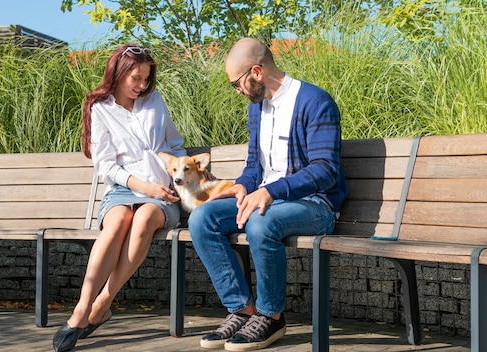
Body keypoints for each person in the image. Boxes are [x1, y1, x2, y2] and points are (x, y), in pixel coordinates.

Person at [188, 37, 348, 351]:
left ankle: (271, 316)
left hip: (316, 203)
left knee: (262, 223)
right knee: (202, 218)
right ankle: (242, 309)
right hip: (270, 199)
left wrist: (270, 193)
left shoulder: (315, 101)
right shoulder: (257, 108)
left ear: (257, 72)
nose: (237, 91)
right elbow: (254, 165)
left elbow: (325, 170)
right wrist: (244, 185)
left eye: (236, 83)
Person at [52, 44, 186, 352]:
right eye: (135, 78)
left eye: (146, 79)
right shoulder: (101, 108)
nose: (141, 85)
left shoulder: (155, 102)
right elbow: (106, 165)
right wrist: (141, 186)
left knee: (142, 220)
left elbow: (175, 144)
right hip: (123, 189)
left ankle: (104, 302)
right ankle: (81, 311)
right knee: (116, 224)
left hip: (160, 194)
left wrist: (172, 170)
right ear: (119, 73)